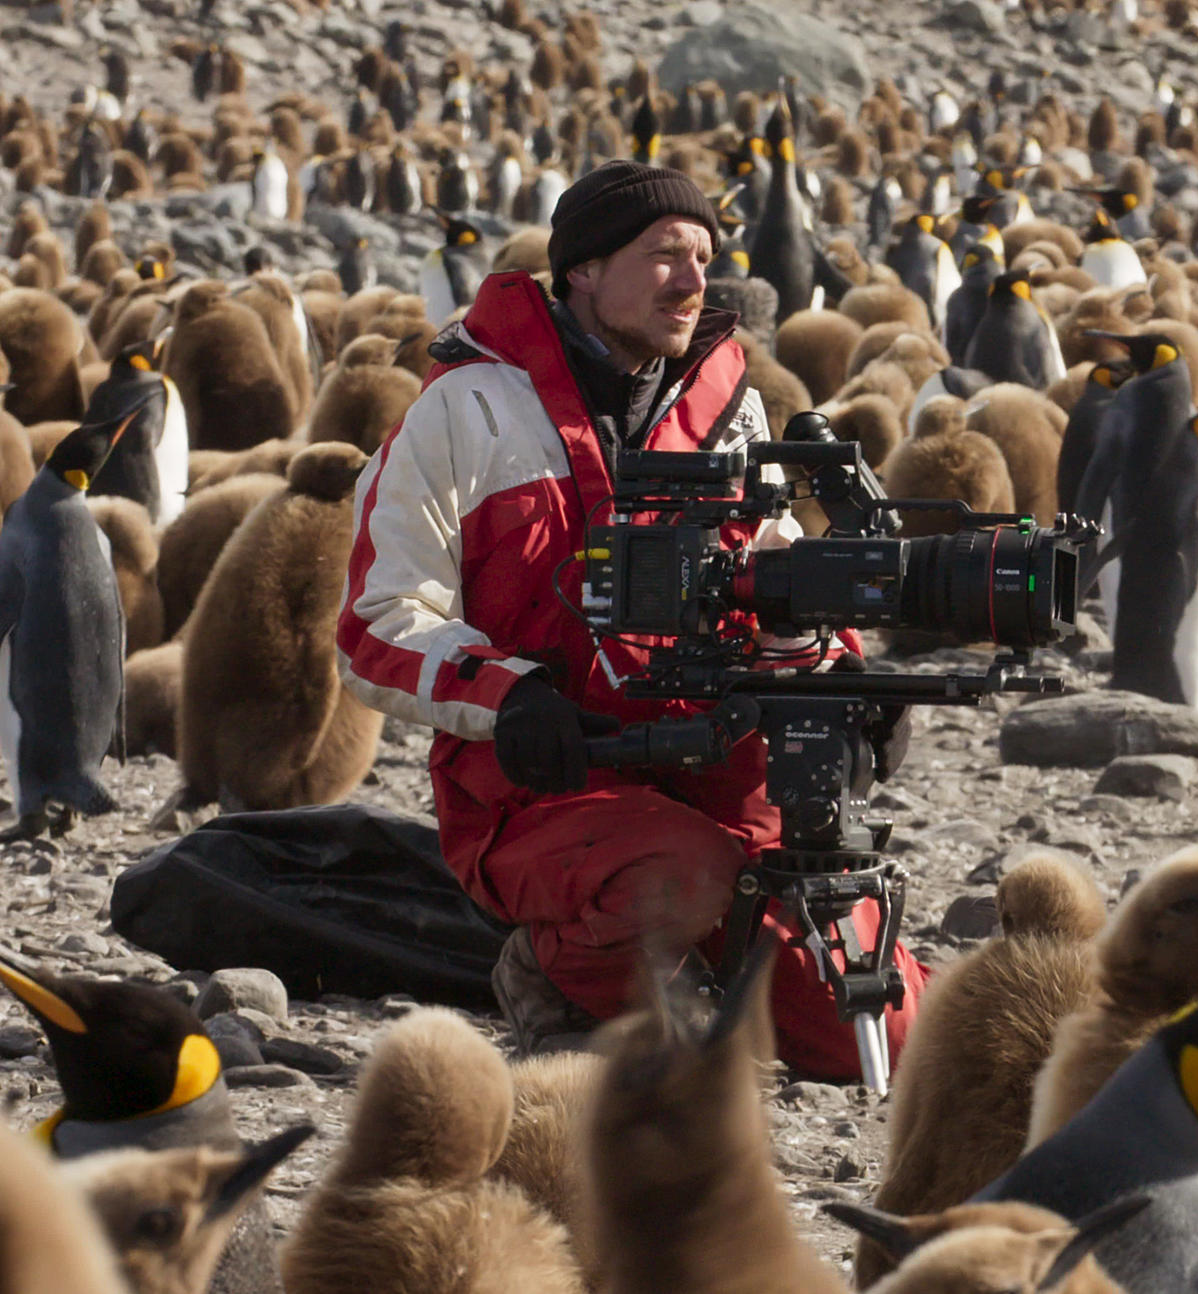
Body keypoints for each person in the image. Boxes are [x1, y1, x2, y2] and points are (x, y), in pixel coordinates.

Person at [335, 161, 926, 1074]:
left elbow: (780, 582)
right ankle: (553, 970)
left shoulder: (728, 410)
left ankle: (703, 966)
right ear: (581, 269)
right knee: (678, 878)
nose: (695, 281)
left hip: (719, 769)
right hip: (545, 784)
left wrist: (843, 677)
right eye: (663, 256)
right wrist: (511, 697)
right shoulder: (468, 408)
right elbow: (376, 624)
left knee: (885, 1030)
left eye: (704, 257)